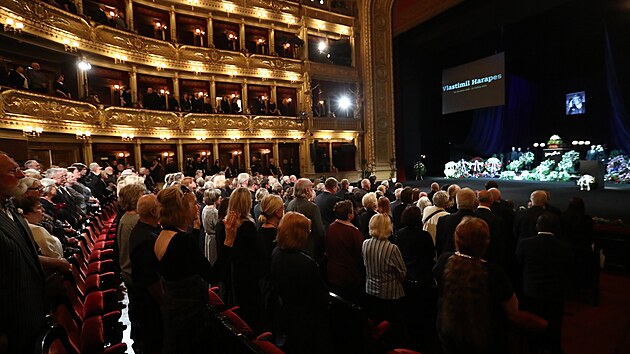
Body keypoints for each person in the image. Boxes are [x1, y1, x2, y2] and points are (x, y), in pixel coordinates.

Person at [155, 186, 234, 353]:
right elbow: (213, 276)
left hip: (173, 309)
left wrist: (196, 228)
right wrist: (229, 242)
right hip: (189, 315)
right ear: (181, 210)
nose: (198, 206)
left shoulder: (164, 234)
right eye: (193, 203)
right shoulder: (183, 242)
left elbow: (186, 262)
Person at [433, 217, 519, 354]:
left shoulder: (443, 261)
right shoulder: (495, 273)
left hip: (448, 333)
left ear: (456, 239)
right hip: (486, 339)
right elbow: (513, 310)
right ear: (486, 242)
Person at [0, 152, 47, 353]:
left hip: (32, 311)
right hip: (12, 323)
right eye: (13, 170)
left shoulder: (9, 206)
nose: (21, 175)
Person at [271, 212, 330, 354]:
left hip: (285, 313)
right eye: (307, 231)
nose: (309, 234)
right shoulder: (305, 263)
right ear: (299, 234)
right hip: (306, 322)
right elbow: (321, 298)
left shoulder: (276, 252)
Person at [516, 214, 573, 353]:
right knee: (554, 324)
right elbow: (569, 271)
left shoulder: (525, 243)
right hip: (555, 293)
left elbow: (519, 265)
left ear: (537, 227)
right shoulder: (565, 247)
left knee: (531, 323)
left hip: (531, 291)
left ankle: (531, 347)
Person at [363, 213, 407, 345]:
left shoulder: (365, 243)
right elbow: (402, 272)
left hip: (370, 291)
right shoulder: (392, 248)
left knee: (376, 326)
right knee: (390, 330)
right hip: (390, 295)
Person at [128, 194, 163, 354]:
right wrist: (163, 301)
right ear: (154, 211)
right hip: (148, 302)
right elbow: (151, 279)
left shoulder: (143, 229)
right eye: (159, 206)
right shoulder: (147, 238)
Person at [226, 187, 261, 330]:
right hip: (248, 272)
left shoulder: (228, 223)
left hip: (235, 270)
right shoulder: (247, 226)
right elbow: (256, 251)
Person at [325, 200, 365, 302]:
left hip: (333, 274)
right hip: (349, 276)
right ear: (349, 215)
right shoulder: (354, 233)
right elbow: (361, 254)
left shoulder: (330, 227)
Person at [256, 194, 284, 330]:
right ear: (278, 212)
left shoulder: (259, 231)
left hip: (262, 282)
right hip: (274, 286)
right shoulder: (276, 236)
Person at [286, 178, 325, 263]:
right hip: (309, 248)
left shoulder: (290, 204)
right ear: (307, 190)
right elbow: (319, 231)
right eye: (312, 188)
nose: (313, 190)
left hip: (293, 246)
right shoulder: (312, 207)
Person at [396, 206, 435, 284]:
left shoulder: (400, 233)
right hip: (423, 273)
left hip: (406, 271)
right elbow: (432, 253)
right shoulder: (425, 235)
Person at [435, 188, 476, 256]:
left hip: (447, 263)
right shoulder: (482, 222)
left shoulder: (443, 220)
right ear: (475, 202)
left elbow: (439, 247)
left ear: (457, 202)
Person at [201, 188, 222, 265]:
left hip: (208, 237)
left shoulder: (205, 208)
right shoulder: (213, 211)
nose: (220, 198)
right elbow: (217, 226)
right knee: (214, 259)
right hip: (213, 238)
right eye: (219, 196)